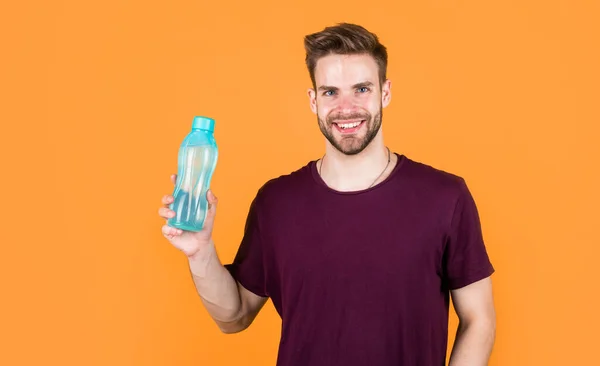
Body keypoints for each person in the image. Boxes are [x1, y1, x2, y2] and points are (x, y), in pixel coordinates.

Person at [158, 23, 496, 366]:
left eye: (362, 89)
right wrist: (200, 251)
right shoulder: (276, 203)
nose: (346, 108)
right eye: (331, 92)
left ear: (386, 92)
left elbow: (479, 320)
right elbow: (234, 316)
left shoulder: (444, 197)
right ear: (313, 100)